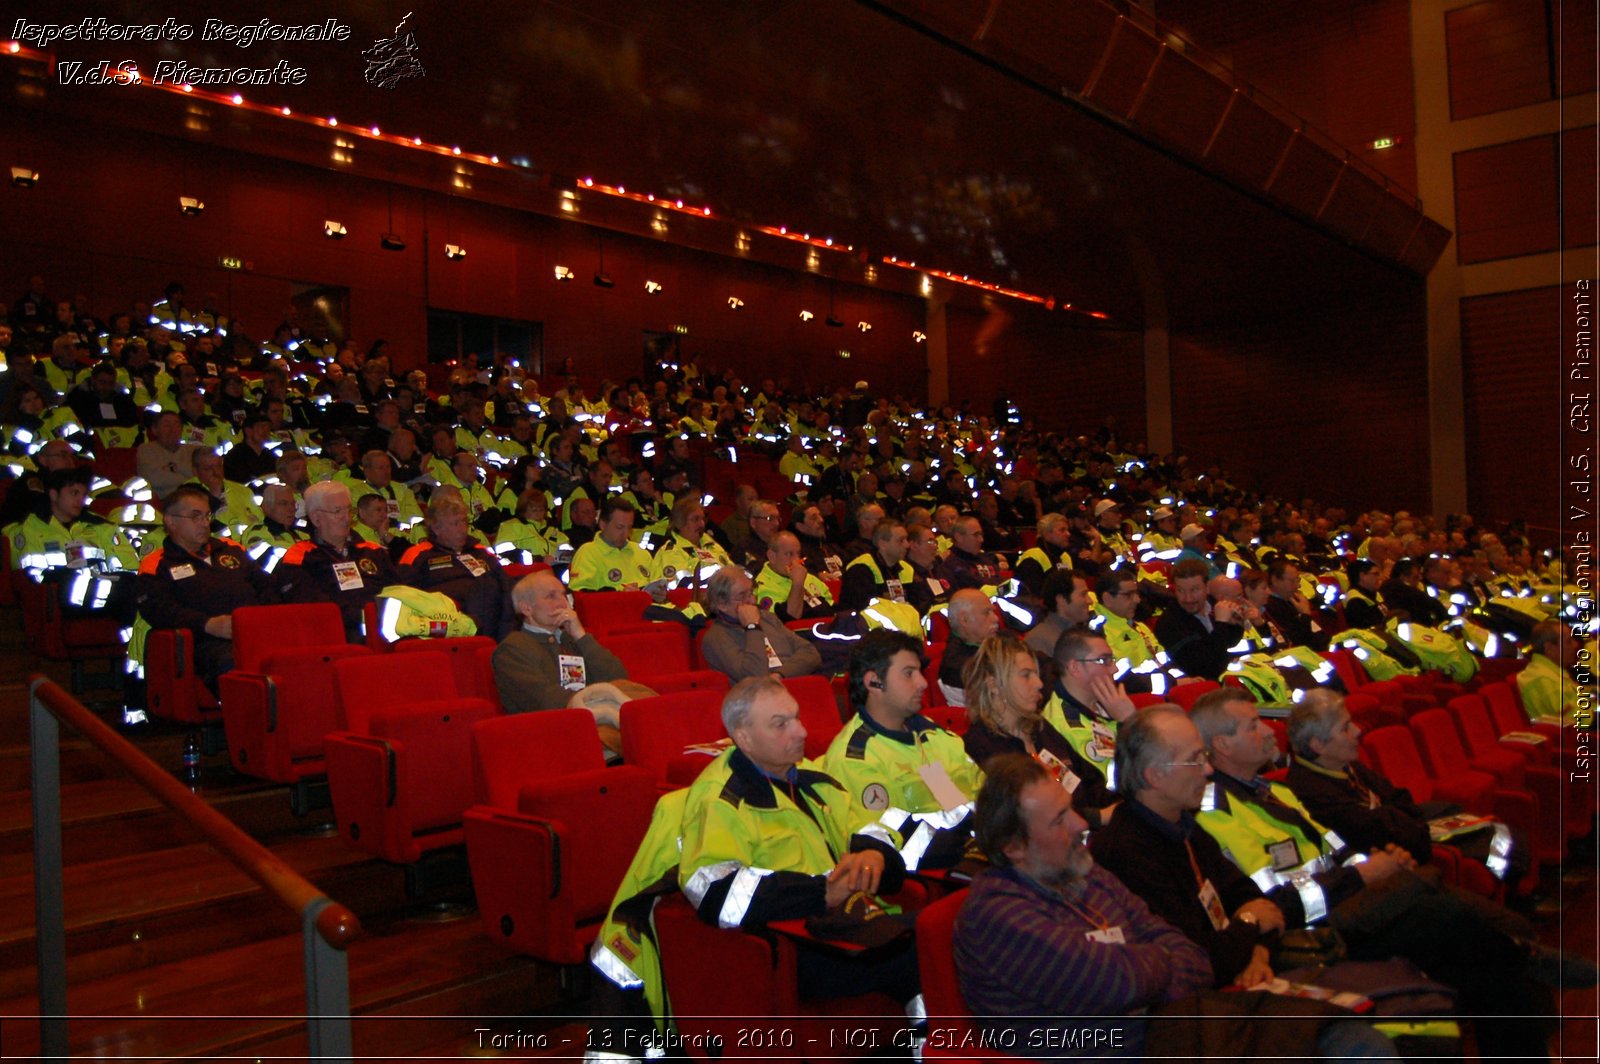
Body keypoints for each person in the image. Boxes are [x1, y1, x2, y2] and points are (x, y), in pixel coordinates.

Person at [1189, 687, 1572, 1060]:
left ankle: (1521, 959)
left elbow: (1340, 852)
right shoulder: (1214, 814)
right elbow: (1274, 901)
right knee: (1456, 926)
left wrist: (1375, 866)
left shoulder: (1277, 792)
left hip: (1353, 905)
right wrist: (1366, 875)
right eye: (1254, 725)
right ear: (1222, 745)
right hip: (1314, 934)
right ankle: (1524, 952)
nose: (1271, 730)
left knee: (1476, 951)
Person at [1088, 708, 1401, 1059]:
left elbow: (1252, 898)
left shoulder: (1184, 828)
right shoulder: (1125, 852)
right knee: (1362, 1046)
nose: (1207, 770)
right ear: (1155, 776)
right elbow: (1196, 957)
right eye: (1194, 760)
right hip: (1197, 1016)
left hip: (1247, 972)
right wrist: (1249, 928)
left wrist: (1256, 947)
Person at [678, 675, 919, 1005]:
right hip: (790, 947)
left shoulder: (810, 779)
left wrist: (875, 856)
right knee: (924, 948)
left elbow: (869, 829)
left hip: (845, 924)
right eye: (781, 724)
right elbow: (715, 893)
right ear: (744, 739)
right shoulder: (721, 801)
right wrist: (822, 893)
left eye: (797, 718)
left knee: (943, 929)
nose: (802, 732)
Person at [954, 754, 1213, 1054]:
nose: (1080, 824)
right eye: (1059, 820)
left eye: (1072, 809)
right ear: (1014, 847)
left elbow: (1195, 958)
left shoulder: (1084, 872)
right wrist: (1160, 966)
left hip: (1163, 1039)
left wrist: (1147, 987)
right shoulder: (996, 915)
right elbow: (1118, 985)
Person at [1285, 688, 1525, 885]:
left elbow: (1398, 797)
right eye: (1345, 728)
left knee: (1482, 821)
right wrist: (1403, 820)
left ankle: (1518, 881)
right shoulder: (1309, 788)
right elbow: (1370, 828)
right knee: (1486, 844)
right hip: (1388, 854)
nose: (1357, 731)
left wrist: (1400, 818)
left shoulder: (1344, 764)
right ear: (1318, 745)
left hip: (1407, 829)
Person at [822, 629, 980, 871]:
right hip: (929, 880)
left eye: (919, 672)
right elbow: (888, 849)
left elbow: (977, 797)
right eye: (909, 674)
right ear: (874, 682)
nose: (923, 683)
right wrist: (971, 844)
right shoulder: (855, 759)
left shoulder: (930, 736)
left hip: (978, 858)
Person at [961, 634, 1119, 828]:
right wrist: (1098, 817)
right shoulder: (982, 747)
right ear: (994, 685)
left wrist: (1123, 806)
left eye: (1036, 674)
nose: (1039, 683)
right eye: (1026, 675)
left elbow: (1090, 785)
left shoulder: (1040, 729)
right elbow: (1025, 821)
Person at [134, 484, 277, 688]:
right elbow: (159, 610)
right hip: (206, 643)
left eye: (206, 516)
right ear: (171, 521)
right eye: (195, 516)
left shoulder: (231, 550)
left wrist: (264, 618)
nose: (204, 523)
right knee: (241, 666)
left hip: (256, 633)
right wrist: (206, 624)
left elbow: (266, 586)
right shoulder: (158, 563)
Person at [491, 570, 631, 752]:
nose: (562, 602)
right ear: (527, 609)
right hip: (550, 737)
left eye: (563, 595)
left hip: (594, 727)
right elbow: (547, 701)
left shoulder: (572, 638)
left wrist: (580, 635)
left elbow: (618, 677)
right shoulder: (512, 650)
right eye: (551, 596)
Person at [276, 480, 400, 642]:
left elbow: (398, 592)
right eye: (337, 511)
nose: (346, 518)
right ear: (316, 518)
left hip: (384, 633)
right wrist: (363, 615)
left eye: (349, 510)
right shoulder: (299, 557)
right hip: (334, 640)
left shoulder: (372, 551)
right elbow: (311, 608)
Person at [396, 496, 514, 639]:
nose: (463, 529)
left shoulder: (480, 552)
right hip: (447, 619)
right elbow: (406, 597)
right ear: (436, 528)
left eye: (464, 522)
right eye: (455, 524)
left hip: (490, 614)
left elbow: (505, 584)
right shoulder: (417, 554)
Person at [1039, 626, 1137, 793]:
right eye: (1103, 661)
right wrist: (1129, 724)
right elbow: (1115, 785)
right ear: (1075, 668)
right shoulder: (1064, 726)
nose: (1115, 669)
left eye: (1112, 659)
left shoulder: (1108, 702)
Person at [699, 566, 824, 682]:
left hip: (792, 683)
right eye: (742, 596)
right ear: (722, 604)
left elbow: (811, 653)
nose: (753, 600)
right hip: (758, 701)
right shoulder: (716, 637)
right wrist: (752, 627)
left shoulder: (766, 617)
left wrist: (780, 675)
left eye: (751, 592)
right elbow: (754, 676)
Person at [1154, 558, 1245, 681]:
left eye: (1194, 590)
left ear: (1207, 587)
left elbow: (1229, 643)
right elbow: (1204, 667)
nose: (1188, 598)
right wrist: (1221, 624)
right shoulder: (1169, 624)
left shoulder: (1213, 605)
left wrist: (1236, 624)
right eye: (1180, 591)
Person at [568, 497, 655, 592]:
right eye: (619, 527)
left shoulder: (641, 552)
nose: (626, 534)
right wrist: (619, 595)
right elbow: (580, 596)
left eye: (629, 527)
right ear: (603, 525)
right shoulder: (587, 553)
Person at [650, 496, 735, 585]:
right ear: (679, 523)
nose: (701, 523)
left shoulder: (712, 546)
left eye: (703, 519)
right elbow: (679, 588)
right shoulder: (670, 553)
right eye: (695, 519)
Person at [753, 530, 835, 621]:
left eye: (798, 554)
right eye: (789, 554)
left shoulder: (808, 577)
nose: (796, 560)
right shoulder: (762, 587)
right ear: (772, 556)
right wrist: (797, 583)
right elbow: (787, 620)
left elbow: (830, 608)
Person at [935, 588, 998, 706]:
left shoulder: (997, 639)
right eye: (986, 613)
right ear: (964, 620)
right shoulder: (957, 668)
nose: (995, 619)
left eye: (993, 612)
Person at [1517, 619, 1585, 727]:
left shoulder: (1550, 672)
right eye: (1569, 641)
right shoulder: (1545, 680)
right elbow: (1579, 721)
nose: (1576, 644)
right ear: (1549, 648)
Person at [837, 519, 913, 612]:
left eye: (906, 539)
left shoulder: (906, 568)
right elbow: (864, 609)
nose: (907, 545)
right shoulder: (861, 569)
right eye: (901, 540)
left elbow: (916, 603)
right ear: (883, 544)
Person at [1021, 568, 1092, 665]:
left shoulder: (1084, 633)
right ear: (1061, 600)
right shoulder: (1038, 641)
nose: (1089, 601)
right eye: (1083, 595)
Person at [1263, 557, 1331, 651]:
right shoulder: (1270, 606)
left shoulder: (1293, 600)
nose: (1298, 585)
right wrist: (1305, 615)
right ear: (1275, 581)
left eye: (1297, 580)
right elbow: (1296, 640)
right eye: (1292, 581)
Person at [134, 411, 200, 500]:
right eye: (166, 425)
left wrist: (174, 467)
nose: (172, 429)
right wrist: (190, 474)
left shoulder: (194, 450)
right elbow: (155, 480)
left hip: (197, 498)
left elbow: (204, 476)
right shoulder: (146, 449)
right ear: (155, 430)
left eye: (176, 425)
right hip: (165, 501)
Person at [1012, 512, 1073, 597]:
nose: (1068, 534)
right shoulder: (1032, 557)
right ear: (1047, 533)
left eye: (1068, 530)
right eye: (1062, 530)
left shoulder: (1065, 557)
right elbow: (1030, 594)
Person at [933, 515, 1001, 591]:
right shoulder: (951, 564)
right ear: (959, 537)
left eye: (981, 534)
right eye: (976, 535)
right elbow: (976, 585)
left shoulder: (985, 559)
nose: (981, 540)